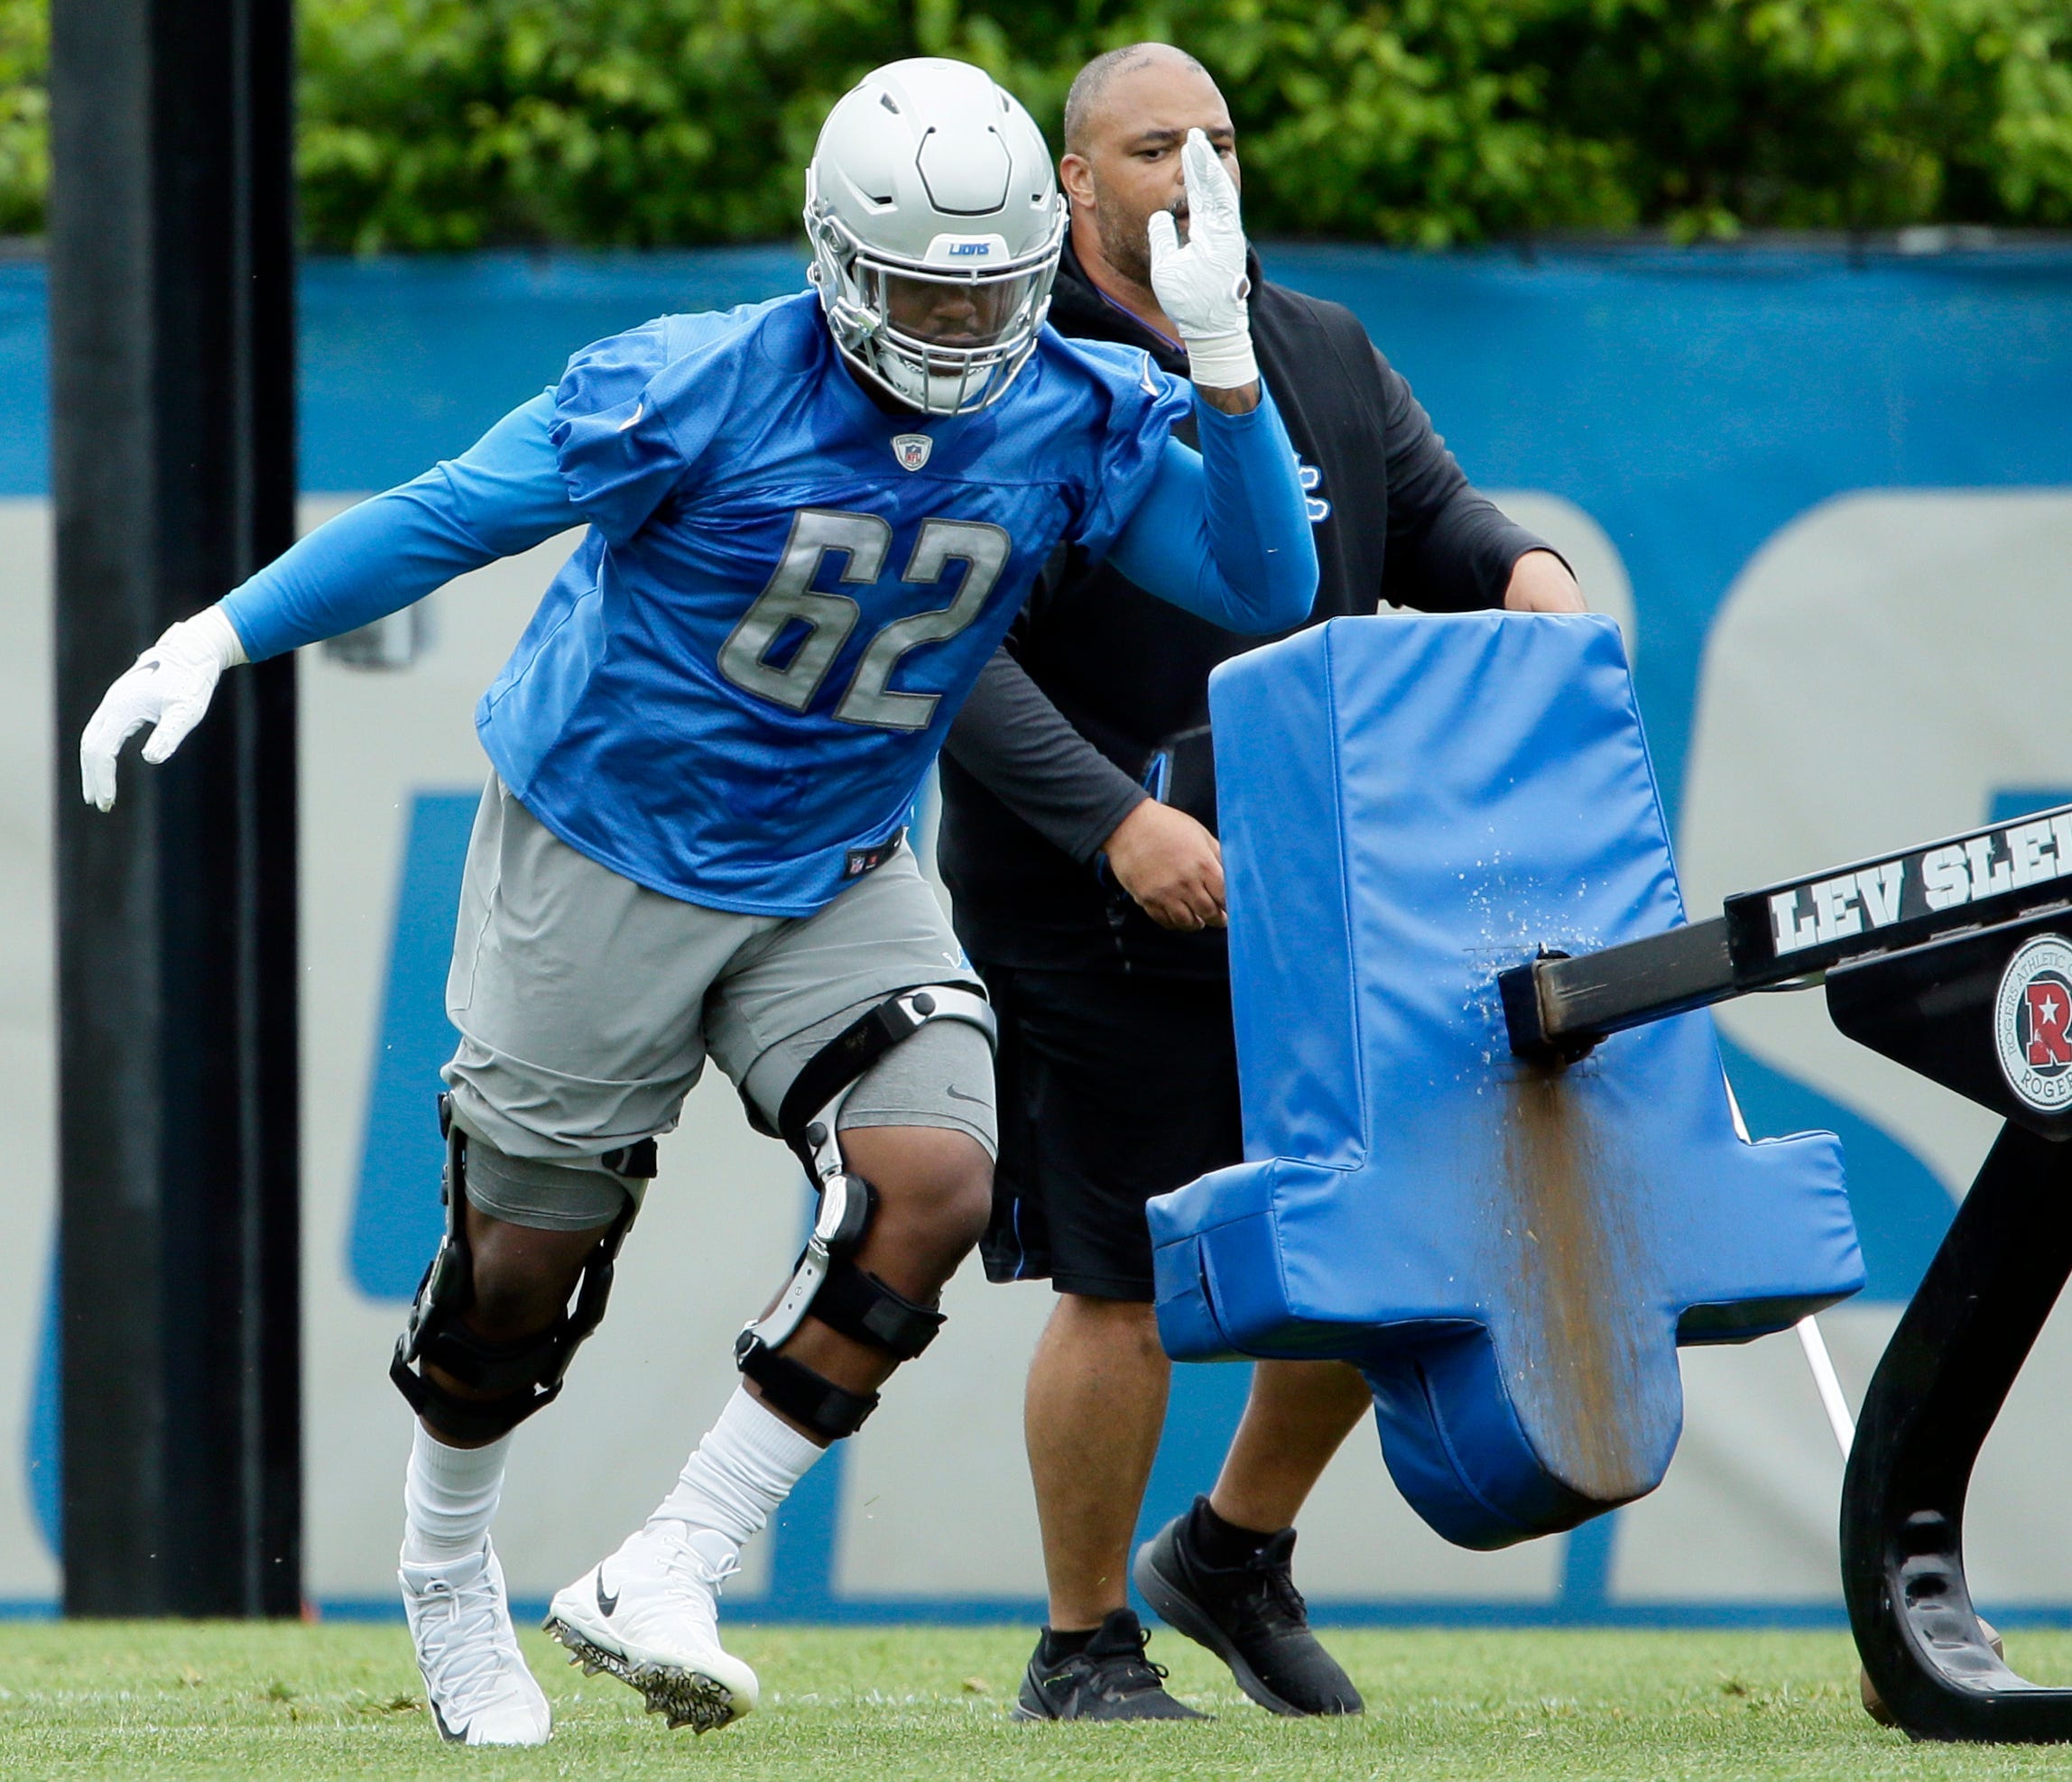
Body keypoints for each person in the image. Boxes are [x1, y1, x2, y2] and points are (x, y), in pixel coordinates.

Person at [77, 58, 1316, 1749]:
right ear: (831, 259)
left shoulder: (1075, 406)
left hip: (832, 868)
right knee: (525, 1266)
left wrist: (1229, 371)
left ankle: (674, 1557)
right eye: (915, 286)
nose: (954, 327)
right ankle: (450, 1573)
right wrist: (220, 632)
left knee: (942, 1174)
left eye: (987, 287)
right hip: (604, 846)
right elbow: (453, 513)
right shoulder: (699, 381)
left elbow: (1264, 583)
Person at [938, 42, 1587, 1723]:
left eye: (1217, 143)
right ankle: (1081, 1646)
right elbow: (957, 653)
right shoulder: (1011, 368)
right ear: (1075, 185)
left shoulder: (1315, 346)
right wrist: (1115, 826)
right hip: (1086, 899)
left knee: (1383, 1237)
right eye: (1155, 148)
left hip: (1313, 887)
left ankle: (1230, 1551)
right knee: (1128, 1281)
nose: (1194, 174)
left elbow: (1439, 514)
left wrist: (1535, 578)